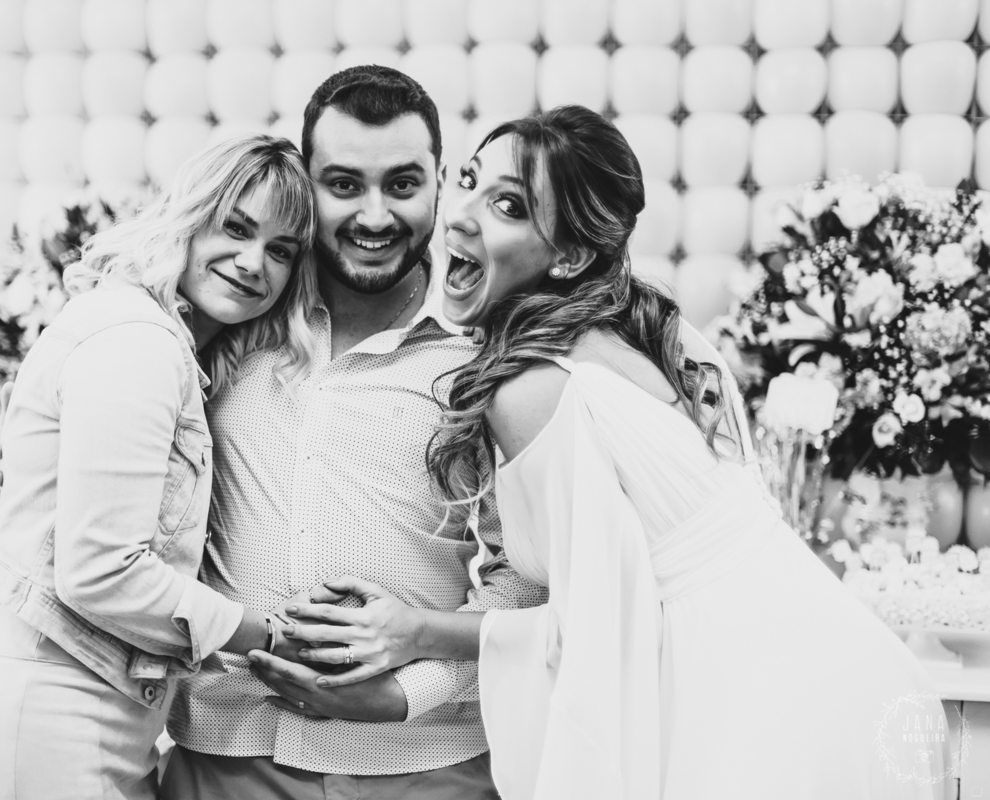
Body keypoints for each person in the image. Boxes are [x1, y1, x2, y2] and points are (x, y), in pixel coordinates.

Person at [283, 106, 951, 799]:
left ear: (570, 256)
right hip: (839, 661)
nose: (460, 217)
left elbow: (595, 629)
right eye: (471, 184)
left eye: (508, 206)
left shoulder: (532, 390)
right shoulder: (658, 332)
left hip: (749, 702)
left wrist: (414, 630)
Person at [0, 67, 541, 800]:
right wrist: (24, 448)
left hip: (423, 763)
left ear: (439, 182)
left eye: (402, 184)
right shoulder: (229, 326)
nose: (374, 215)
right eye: (343, 185)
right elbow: (115, 425)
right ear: (307, 185)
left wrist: (408, 694)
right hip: (224, 755)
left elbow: (525, 578)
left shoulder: (491, 356)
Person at [0, 134, 322, 800]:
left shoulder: (164, 345)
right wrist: (274, 638)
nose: (254, 262)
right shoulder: (139, 342)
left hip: (92, 723)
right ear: (190, 218)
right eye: (236, 228)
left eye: (281, 250)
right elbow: (101, 569)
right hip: (51, 726)